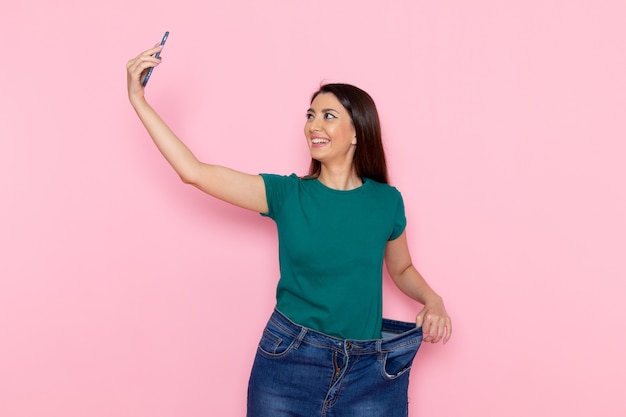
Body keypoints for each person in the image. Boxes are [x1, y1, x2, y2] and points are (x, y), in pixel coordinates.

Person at [127, 44, 452, 417]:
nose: (314, 125)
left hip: (369, 371)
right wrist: (139, 99)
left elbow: (402, 269)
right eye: (310, 115)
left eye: (328, 116)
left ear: (357, 132)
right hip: (291, 360)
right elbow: (194, 172)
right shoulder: (286, 194)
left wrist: (433, 300)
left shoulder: (386, 201)